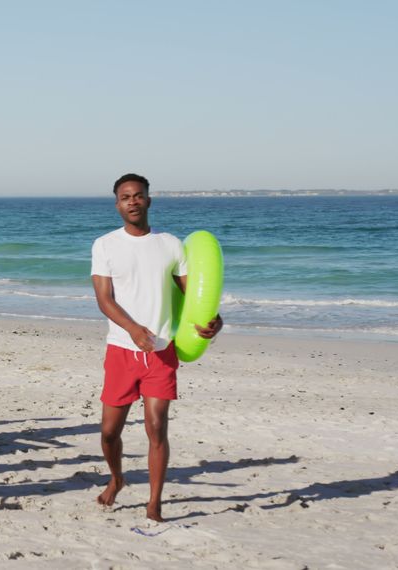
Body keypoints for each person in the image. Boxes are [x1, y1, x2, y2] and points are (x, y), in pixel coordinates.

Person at [90, 173, 223, 522]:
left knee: (156, 426)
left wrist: (214, 320)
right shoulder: (105, 245)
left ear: (149, 200)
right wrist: (133, 329)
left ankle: (154, 502)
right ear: (117, 204)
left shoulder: (171, 245)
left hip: (161, 352)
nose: (132, 201)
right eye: (125, 196)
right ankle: (117, 478)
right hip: (121, 350)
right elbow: (104, 300)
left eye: (138, 195)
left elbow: (194, 295)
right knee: (108, 433)